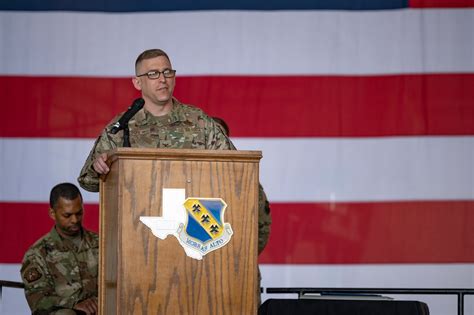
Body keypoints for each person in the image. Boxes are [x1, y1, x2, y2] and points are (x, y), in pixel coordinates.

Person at [77, 48, 271, 254]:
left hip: (194, 240)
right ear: (137, 82)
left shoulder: (199, 122)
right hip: (139, 243)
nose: (162, 79)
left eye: (167, 72)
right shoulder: (122, 127)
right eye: (153, 74)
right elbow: (88, 181)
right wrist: (99, 167)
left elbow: (236, 172)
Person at [21, 183, 98, 315]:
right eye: (67, 215)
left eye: (79, 213)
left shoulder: (100, 243)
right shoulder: (38, 253)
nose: (74, 220)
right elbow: (38, 300)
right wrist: (74, 303)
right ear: (52, 213)